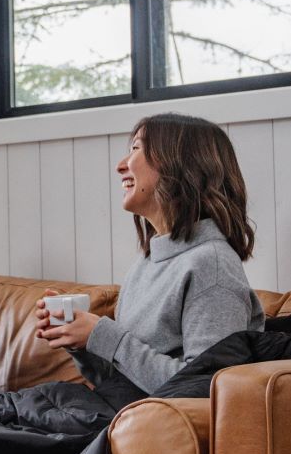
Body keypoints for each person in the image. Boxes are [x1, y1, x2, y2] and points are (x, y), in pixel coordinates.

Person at [35, 112, 264, 394]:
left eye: (135, 149)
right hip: (116, 414)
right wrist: (82, 342)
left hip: (151, 426)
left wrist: (104, 335)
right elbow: (120, 383)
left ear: (179, 164)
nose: (121, 166)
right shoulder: (147, 262)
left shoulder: (211, 266)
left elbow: (204, 389)